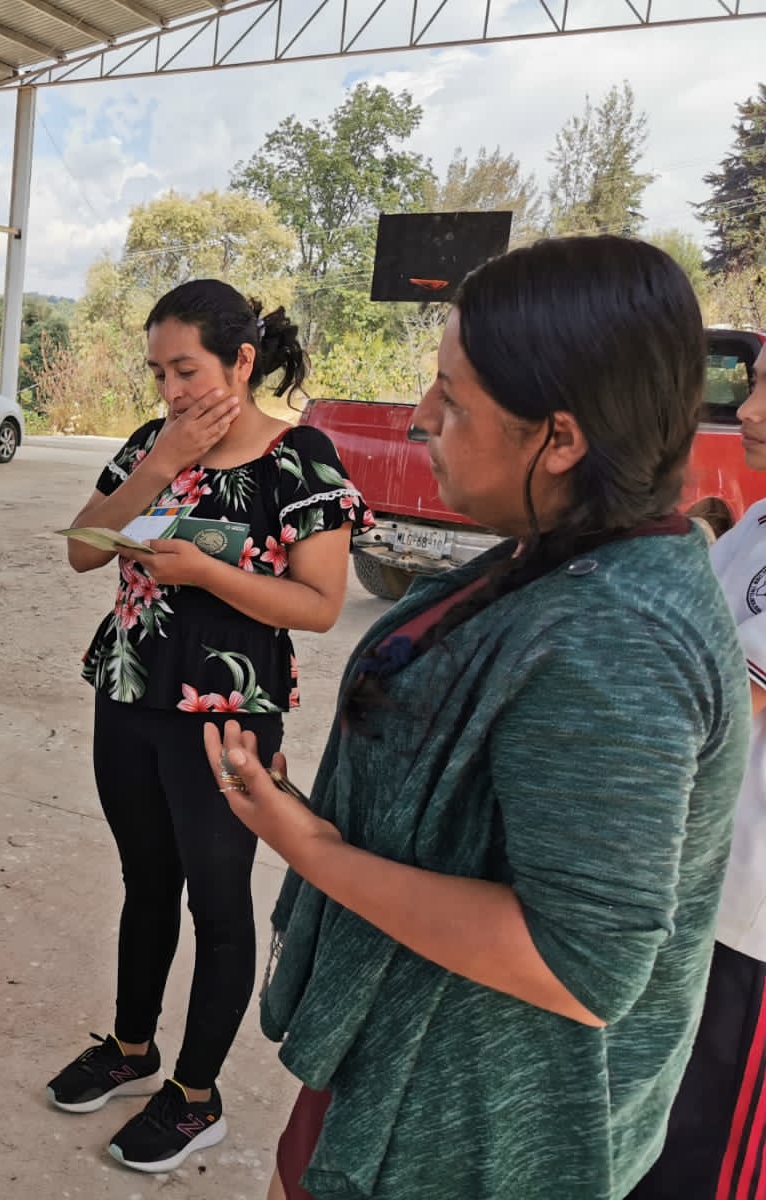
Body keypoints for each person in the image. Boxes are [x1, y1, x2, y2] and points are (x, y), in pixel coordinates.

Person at [204, 236, 749, 1200]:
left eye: (452, 399)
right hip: (414, 1067)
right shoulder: (568, 557)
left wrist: (311, 847)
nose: (420, 419)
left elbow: (578, 961)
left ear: (563, 438)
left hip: (477, 1125)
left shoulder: (612, 639)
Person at [50, 279, 366, 1174]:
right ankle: (131, 1047)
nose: (171, 391)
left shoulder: (300, 459)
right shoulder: (152, 443)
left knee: (217, 901)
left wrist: (206, 573)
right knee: (143, 879)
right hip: (129, 691)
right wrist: (159, 466)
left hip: (226, 718)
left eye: (186, 369)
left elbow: (319, 604)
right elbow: (82, 547)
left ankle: (196, 1093)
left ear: (241, 360)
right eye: (158, 374)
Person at [630, 342, 766, 1199]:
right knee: (653, 1134)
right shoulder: (755, 526)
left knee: (709, 1161)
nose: (749, 411)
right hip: (695, 894)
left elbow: (712, 704)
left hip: (752, 924)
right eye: (755, 385)